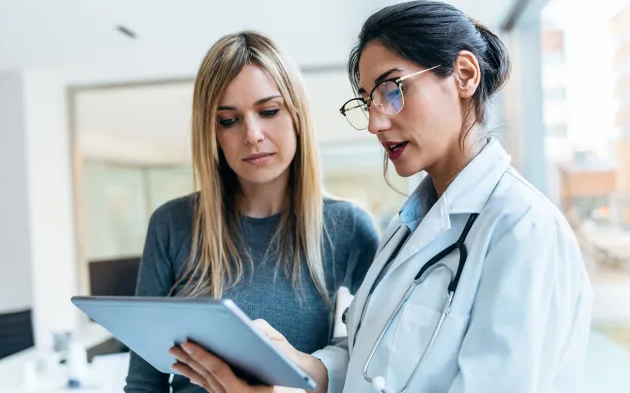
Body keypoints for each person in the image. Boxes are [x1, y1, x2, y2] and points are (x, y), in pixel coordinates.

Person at [168, 2, 594, 393]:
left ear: (464, 75)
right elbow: (366, 359)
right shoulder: (407, 229)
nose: (374, 122)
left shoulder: (522, 231)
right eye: (369, 100)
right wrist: (300, 365)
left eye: (392, 90)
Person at [124, 31, 380, 393]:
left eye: (269, 111)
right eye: (229, 120)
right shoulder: (172, 224)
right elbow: (143, 383)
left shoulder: (346, 228)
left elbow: (382, 357)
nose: (252, 134)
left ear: (296, 115)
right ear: (211, 133)